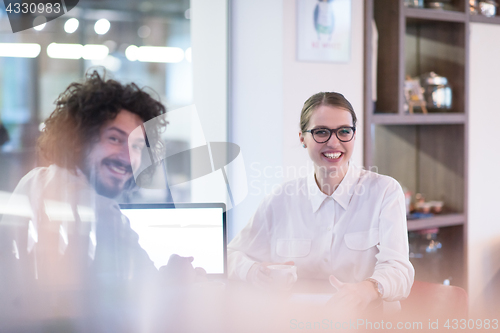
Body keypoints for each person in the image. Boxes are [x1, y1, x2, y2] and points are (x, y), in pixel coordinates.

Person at [0, 71, 201, 332]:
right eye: (115, 139)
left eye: (138, 146)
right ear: (77, 142)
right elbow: (135, 311)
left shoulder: (36, 180)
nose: (128, 157)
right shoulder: (96, 211)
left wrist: (168, 277)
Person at [228, 92, 414, 312]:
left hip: (368, 322)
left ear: (354, 135)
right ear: (302, 138)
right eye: (321, 132)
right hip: (296, 322)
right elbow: (230, 255)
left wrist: (367, 289)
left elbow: (399, 270)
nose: (333, 142)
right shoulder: (280, 199)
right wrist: (252, 271)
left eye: (344, 131)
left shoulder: (384, 192)